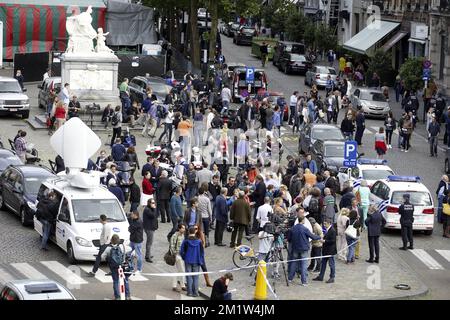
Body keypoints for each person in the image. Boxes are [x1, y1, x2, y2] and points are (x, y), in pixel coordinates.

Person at [287, 216, 321, 285]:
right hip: (304, 249)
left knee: (293, 263)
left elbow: (289, 239)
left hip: (295, 248)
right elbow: (313, 237)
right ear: (302, 221)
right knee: (303, 265)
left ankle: (290, 278)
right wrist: (320, 236)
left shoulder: (293, 228)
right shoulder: (305, 229)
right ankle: (304, 281)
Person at [180, 226, 206, 297]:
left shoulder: (186, 241)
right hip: (196, 261)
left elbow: (182, 251)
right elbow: (202, 252)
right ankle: (196, 293)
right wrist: (200, 260)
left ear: (188, 232)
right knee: (196, 277)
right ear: (194, 232)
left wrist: (184, 257)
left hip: (188, 260)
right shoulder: (199, 241)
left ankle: (190, 292)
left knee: (189, 277)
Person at [313, 218, 336, 283]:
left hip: (330, 251)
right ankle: (321, 276)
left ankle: (332, 277)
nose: (324, 225)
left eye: (325, 224)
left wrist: (324, 241)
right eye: (324, 224)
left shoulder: (332, 230)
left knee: (331, 264)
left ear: (329, 223)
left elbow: (333, 241)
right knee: (323, 264)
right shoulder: (327, 230)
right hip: (325, 250)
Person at [170, 223, 187, 292]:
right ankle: (182, 285)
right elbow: (171, 245)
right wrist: (175, 254)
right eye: (183, 228)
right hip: (177, 256)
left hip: (181, 255)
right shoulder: (175, 236)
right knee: (182, 270)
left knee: (176, 270)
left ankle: (174, 286)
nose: (184, 229)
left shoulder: (183, 235)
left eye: (184, 228)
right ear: (179, 228)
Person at [143, 198, 158, 263]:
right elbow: (153, 215)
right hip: (149, 228)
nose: (154, 204)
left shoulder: (150, 209)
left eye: (154, 203)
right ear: (149, 203)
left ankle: (148, 254)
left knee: (150, 242)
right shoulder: (147, 210)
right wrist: (154, 209)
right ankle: (147, 257)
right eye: (152, 203)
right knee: (149, 243)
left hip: (151, 227)